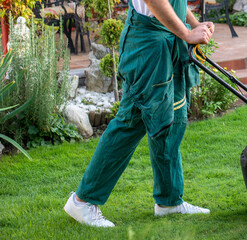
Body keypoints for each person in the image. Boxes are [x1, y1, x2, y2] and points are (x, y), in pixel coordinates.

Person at [63, 0, 214, 227]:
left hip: (167, 40)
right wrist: (187, 33)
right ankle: (82, 201)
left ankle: (169, 200)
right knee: (130, 122)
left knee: (171, 121)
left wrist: (194, 24)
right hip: (147, 45)